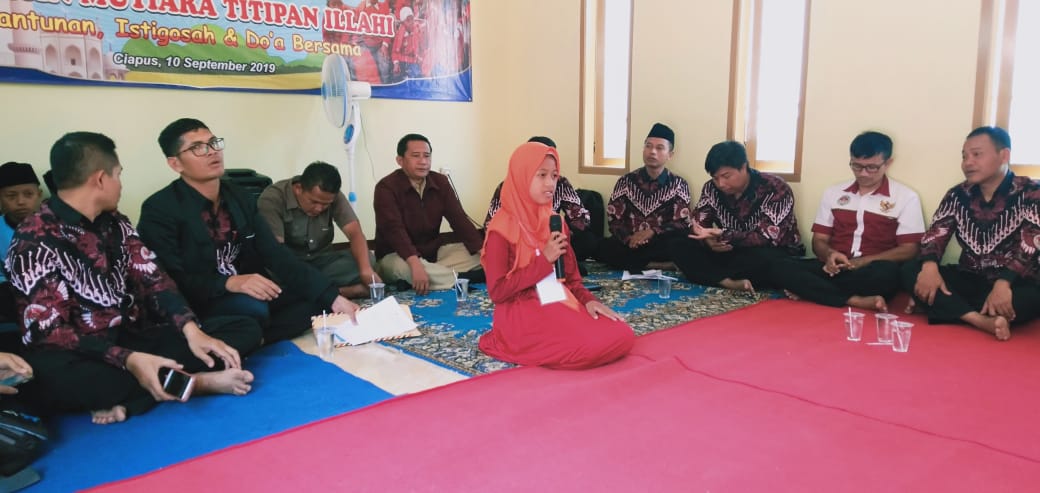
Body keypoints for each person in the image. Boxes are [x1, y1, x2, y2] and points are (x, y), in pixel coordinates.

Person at [6, 131, 261, 425]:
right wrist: (128, 359)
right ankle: (197, 383)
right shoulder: (34, 239)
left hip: (133, 336)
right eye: (118, 175)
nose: (120, 184)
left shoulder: (116, 223)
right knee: (44, 381)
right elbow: (48, 333)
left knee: (242, 328)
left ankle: (140, 388)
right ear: (100, 179)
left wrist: (191, 330)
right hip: (81, 354)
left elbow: (155, 279)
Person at [139, 118, 358, 344]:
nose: (212, 151)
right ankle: (243, 335)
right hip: (202, 299)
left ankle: (253, 338)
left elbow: (275, 253)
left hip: (248, 291)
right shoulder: (160, 209)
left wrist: (331, 296)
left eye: (213, 143)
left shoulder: (239, 197)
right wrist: (228, 283)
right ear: (175, 164)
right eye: (198, 148)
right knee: (255, 309)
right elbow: (169, 279)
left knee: (317, 300)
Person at [478, 142, 634, 369]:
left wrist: (589, 301)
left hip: (559, 300)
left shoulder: (555, 221)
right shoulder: (500, 229)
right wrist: (544, 261)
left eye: (554, 176)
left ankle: (567, 335)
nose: (550, 183)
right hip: (521, 311)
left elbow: (571, 279)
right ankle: (518, 341)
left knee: (622, 333)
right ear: (522, 176)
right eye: (541, 175)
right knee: (588, 347)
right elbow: (498, 292)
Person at [901, 126, 1040, 341]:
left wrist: (1003, 284)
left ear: (1004, 155)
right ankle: (979, 319)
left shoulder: (1032, 191)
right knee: (910, 270)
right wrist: (929, 268)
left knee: (1029, 299)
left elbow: (1032, 243)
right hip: (970, 277)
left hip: (1016, 283)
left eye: (976, 154)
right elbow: (936, 234)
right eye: (964, 156)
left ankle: (941, 306)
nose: (968, 163)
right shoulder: (958, 194)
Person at [768, 131, 925, 311]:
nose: (863, 173)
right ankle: (854, 300)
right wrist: (830, 255)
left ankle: (812, 290)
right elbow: (819, 240)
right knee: (778, 266)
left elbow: (910, 249)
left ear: (888, 163)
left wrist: (863, 262)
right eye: (856, 166)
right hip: (833, 269)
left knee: (888, 275)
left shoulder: (906, 197)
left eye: (871, 167)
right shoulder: (833, 193)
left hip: (872, 270)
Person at [670, 141, 804, 292]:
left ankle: (711, 275)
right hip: (728, 251)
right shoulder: (711, 188)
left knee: (772, 263)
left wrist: (724, 235)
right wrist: (707, 240)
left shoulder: (775, 188)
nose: (720, 183)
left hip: (768, 252)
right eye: (715, 178)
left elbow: (767, 237)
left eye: (726, 176)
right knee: (678, 244)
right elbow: (698, 222)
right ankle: (728, 282)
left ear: (743, 167)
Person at [373, 133, 483, 295]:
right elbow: (394, 231)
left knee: (478, 255)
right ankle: (464, 279)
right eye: (415, 156)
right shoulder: (386, 187)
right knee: (403, 268)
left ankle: (433, 277)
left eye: (427, 156)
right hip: (397, 256)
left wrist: (483, 252)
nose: (423, 161)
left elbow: (459, 220)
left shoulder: (440, 182)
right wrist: (415, 263)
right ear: (400, 160)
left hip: (433, 254)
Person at [258, 161, 380, 299]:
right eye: (314, 202)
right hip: (290, 265)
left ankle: (314, 293)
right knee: (273, 281)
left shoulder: (331, 195)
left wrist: (365, 270)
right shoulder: (272, 199)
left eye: (325, 204)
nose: (319, 208)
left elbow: (355, 233)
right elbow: (276, 252)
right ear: (298, 189)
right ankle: (339, 292)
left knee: (367, 259)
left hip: (322, 262)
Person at [484, 136, 597, 263]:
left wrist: (560, 232)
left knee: (588, 241)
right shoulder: (509, 186)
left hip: (552, 239)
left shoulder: (560, 182)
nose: (550, 182)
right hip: (519, 246)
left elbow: (581, 217)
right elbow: (491, 224)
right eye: (542, 173)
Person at [598, 123, 691, 272]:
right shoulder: (626, 181)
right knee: (604, 246)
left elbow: (681, 222)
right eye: (648, 146)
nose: (652, 151)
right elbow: (613, 218)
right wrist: (629, 239)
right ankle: (655, 265)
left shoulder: (678, 184)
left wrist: (652, 232)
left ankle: (638, 263)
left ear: (670, 155)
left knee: (684, 244)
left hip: (660, 243)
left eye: (659, 148)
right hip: (631, 244)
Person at [0, 163, 43, 325]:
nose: (20, 202)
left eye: (28, 194)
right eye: (11, 196)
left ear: (39, 195)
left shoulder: (55, 227)